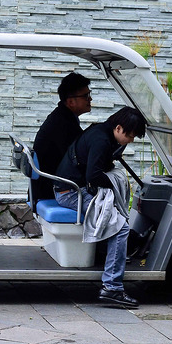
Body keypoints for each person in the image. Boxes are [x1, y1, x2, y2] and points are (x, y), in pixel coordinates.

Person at [54, 106, 146, 308]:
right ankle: (112, 287)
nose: (130, 141)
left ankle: (110, 257)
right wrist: (117, 182)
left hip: (71, 188)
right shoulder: (101, 140)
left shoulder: (102, 131)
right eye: (130, 136)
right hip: (69, 193)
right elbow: (93, 176)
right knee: (119, 227)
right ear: (119, 128)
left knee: (114, 214)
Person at [32, 72, 92, 201]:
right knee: (104, 206)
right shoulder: (63, 124)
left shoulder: (63, 117)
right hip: (52, 190)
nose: (90, 99)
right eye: (86, 96)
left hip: (47, 186)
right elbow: (79, 159)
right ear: (70, 102)